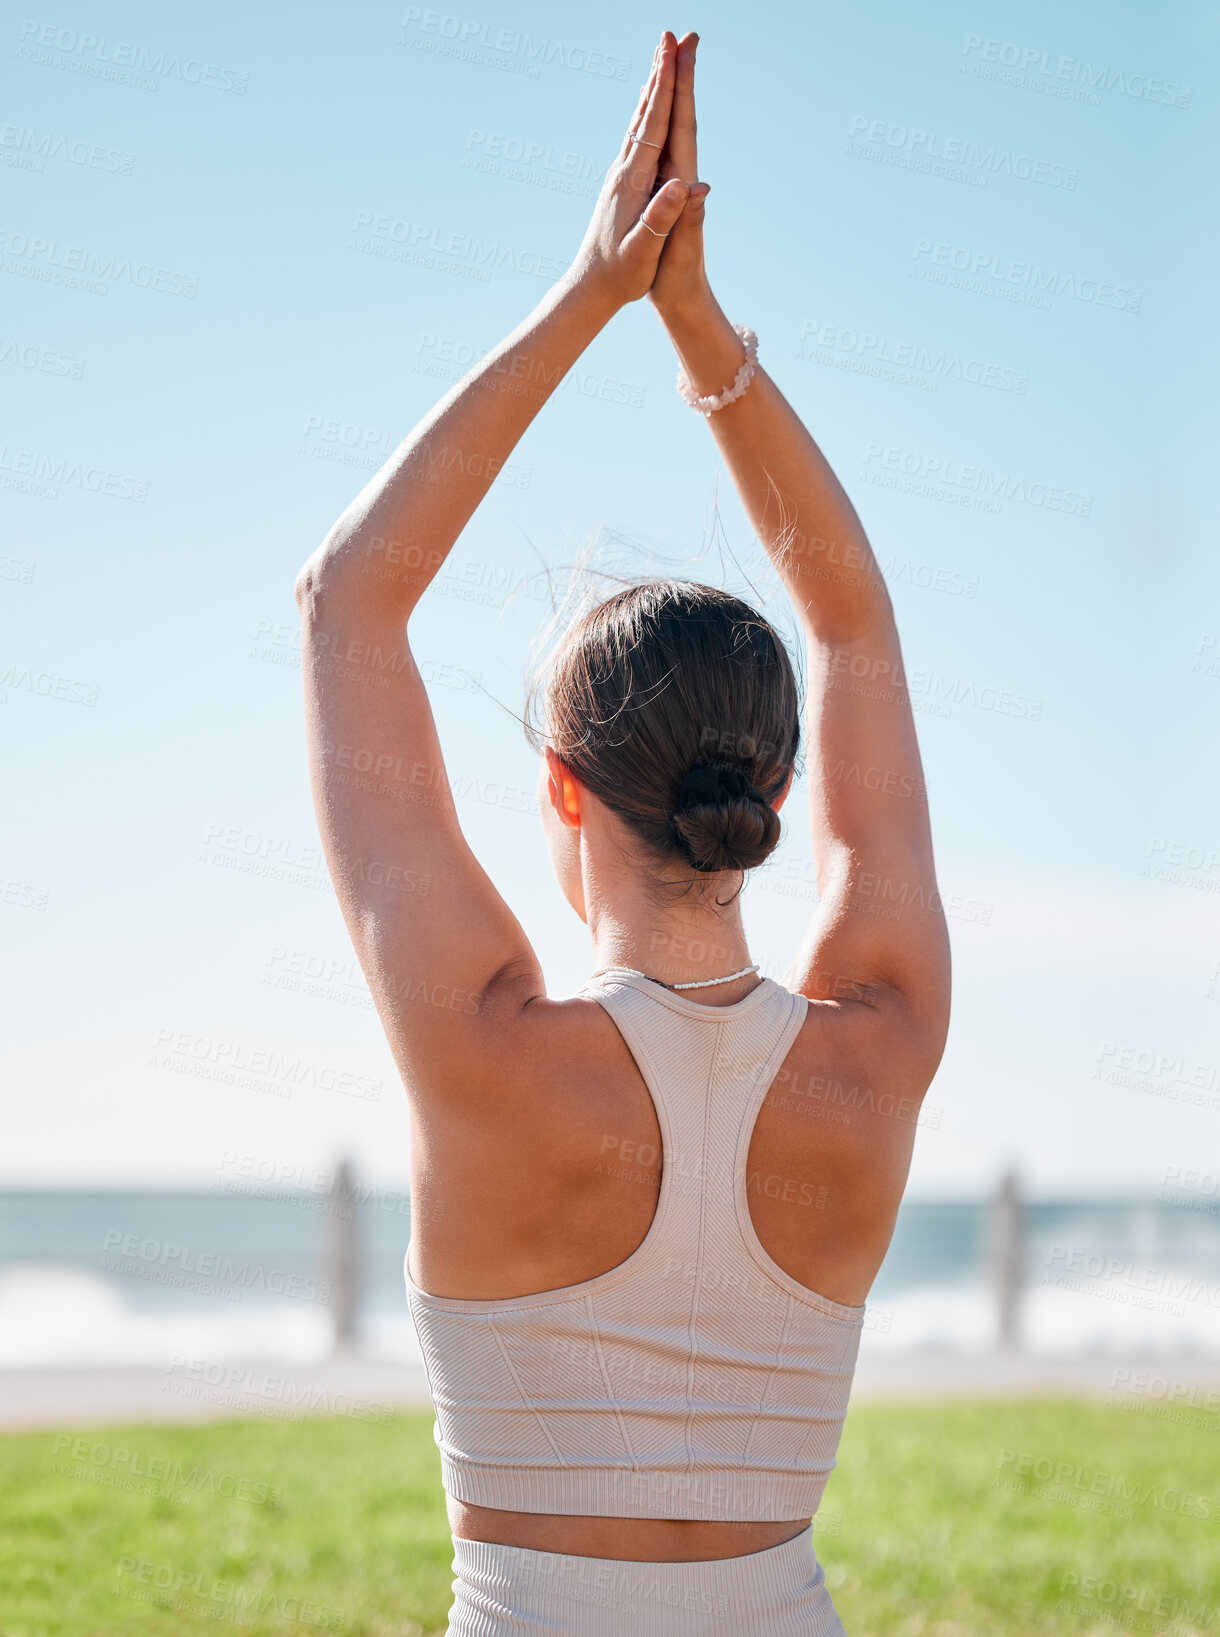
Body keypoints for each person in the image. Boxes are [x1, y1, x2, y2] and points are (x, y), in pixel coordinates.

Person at [295, 28, 950, 1636]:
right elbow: (855, 616)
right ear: (779, 795)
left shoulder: (487, 1050)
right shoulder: (879, 1046)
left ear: (563, 786)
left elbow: (346, 604)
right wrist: (698, 329)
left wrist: (595, 286)